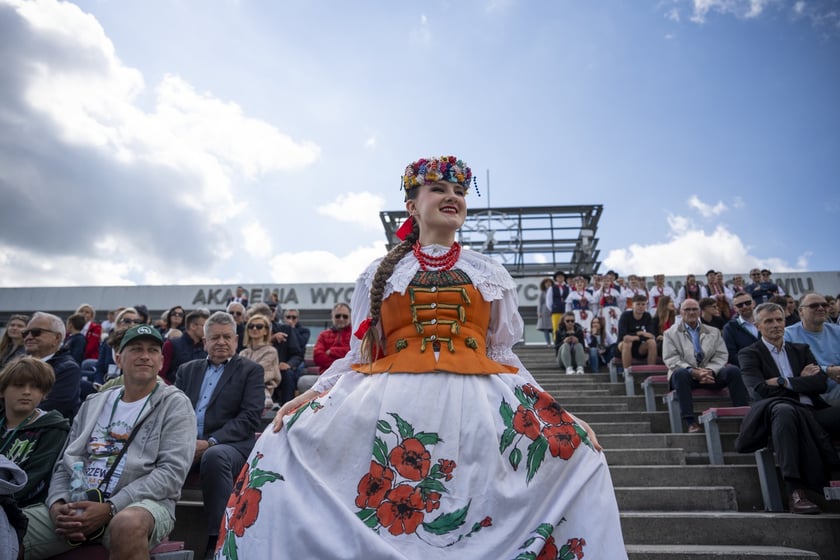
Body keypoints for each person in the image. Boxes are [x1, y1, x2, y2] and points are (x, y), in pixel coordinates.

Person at [213, 156, 627, 559]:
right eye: (439, 189)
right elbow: (362, 353)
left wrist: (558, 413)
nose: (453, 196)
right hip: (388, 397)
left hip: (476, 401)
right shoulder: (379, 272)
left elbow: (502, 353)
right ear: (412, 206)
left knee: (580, 457)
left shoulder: (489, 272)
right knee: (282, 441)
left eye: (460, 191)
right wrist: (315, 392)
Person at [22, 324, 197, 559]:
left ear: (161, 361)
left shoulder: (175, 404)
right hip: (79, 500)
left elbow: (171, 473)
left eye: (153, 350)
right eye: (136, 349)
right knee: (8, 526)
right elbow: (66, 461)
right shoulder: (94, 402)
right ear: (119, 358)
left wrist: (111, 507)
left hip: (143, 504)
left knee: (127, 524)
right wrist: (57, 504)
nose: (145, 356)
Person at [735, 302, 840, 514]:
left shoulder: (801, 349)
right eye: (769, 321)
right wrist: (800, 381)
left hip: (813, 413)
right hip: (778, 413)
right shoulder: (749, 354)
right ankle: (795, 491)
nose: (776, 325)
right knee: (785, 412)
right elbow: (758, 390)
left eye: (779, 320)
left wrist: (783, 381)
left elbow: (820, 383)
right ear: (757, 325)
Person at [175, 311, 264, 557]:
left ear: (236, 340)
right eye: (215, 338)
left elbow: (249, 418)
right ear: (205, 342)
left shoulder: (251, 371)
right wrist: (185, 443)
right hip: (187, 445)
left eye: (227, 337)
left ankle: (219, 538)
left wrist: (209, 442)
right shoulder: (186, 370)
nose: (221, 342)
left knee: (214, 456)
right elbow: (173, 413)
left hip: (231, 446)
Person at [662, 299, 749, 433]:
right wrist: (693, 371)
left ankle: (744, 419)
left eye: (694, 309)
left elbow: (721, 355)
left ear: (699, 311)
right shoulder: (670, 334)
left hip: (711, 374)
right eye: (687, 309)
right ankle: (690, 421)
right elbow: (671, 358)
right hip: (687, 376)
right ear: (680, 312)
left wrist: (709, 370)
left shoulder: (713, 331)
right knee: (680, 373)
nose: (691, 312)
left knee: (733, 371)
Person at [0, 358, 70, 507]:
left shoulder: (53, 429)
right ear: (2, 390)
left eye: (35, 387)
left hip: (22, 507)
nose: (26, 392)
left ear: (43, 393)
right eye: (19, 385)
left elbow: (34, 480)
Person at [23, 312, 81, 420]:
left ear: (57, 338)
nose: (29, 337)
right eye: (25, 333)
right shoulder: (17, 365)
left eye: (36, 332)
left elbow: (51, 409)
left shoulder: (68, 369)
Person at [784, 293, 840, 405]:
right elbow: (795, 369)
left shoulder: (837, 331)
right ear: (800, 311)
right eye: (814, 305)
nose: (820, 308)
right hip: (809, 393)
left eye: (824, 305)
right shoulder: (787, 335)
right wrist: (827, 371)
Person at [239, 314, 280, 410]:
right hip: (243, 388)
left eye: (259, 326)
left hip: (262, 389)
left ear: (266, 331)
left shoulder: (271, 351)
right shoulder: (243, 353)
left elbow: (256, 372)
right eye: (250, 326)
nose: (254, 328)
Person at [161, 309, 209, 383]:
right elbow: (161, 374)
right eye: (205, 326)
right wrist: (172, 391)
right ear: (193, 326)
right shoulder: (171, 345)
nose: (208, 330)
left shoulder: (207, 347)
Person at [617, 294, 657, 371]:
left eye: (643, 304)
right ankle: (627, 372)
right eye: (638, 304)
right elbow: (623, 336)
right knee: (627, 343)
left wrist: (636, 336)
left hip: (639, 346)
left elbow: (651, 335)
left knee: (652, 342)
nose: (641, 306)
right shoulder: (625, 315)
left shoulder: (647, 316)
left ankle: (651, 371)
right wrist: (640, 334)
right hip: (622, 345)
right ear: (632, 305)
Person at [722, 291, 760, 368]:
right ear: (735, 308)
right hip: (749, 369)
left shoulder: (766, 321)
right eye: (740, 305)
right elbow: (731, 355)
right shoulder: (729, 328)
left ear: (754, 303)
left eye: (748, 303)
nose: (744, 306)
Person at [313, 303, 352, 373]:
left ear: (350, 317)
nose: (341, 319)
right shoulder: (323, 335)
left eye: (345, 316)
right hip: (326, 374)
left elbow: (354, 355)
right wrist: (342, 362)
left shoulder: (355, 334)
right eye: (337, 316)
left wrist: (332, 351)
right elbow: (318, 357)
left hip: (348, 375)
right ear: (332, 317)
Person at [545, 270, 569, 344]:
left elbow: (569, 299)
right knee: (556, 326)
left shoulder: (568, 288)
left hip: (566, 310)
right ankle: (557, 341)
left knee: (566, 326)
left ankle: (566, 340)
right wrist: (553, 308)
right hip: (556, 310)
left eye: (562, 277)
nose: (560, 278)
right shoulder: (552, 288)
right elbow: (548, 301)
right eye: (558, 277)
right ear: (556, 278)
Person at [536, 278, 554, 347]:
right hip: (544, 311)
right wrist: (539, 312)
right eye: (546, 283)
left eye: (549, 282)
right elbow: (540, 303)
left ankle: (555, 341)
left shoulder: (554, 291)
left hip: (552, 311)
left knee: (553, 328)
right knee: (546, 328)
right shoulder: (543, 293)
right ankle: (548, 343)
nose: (548, 284)